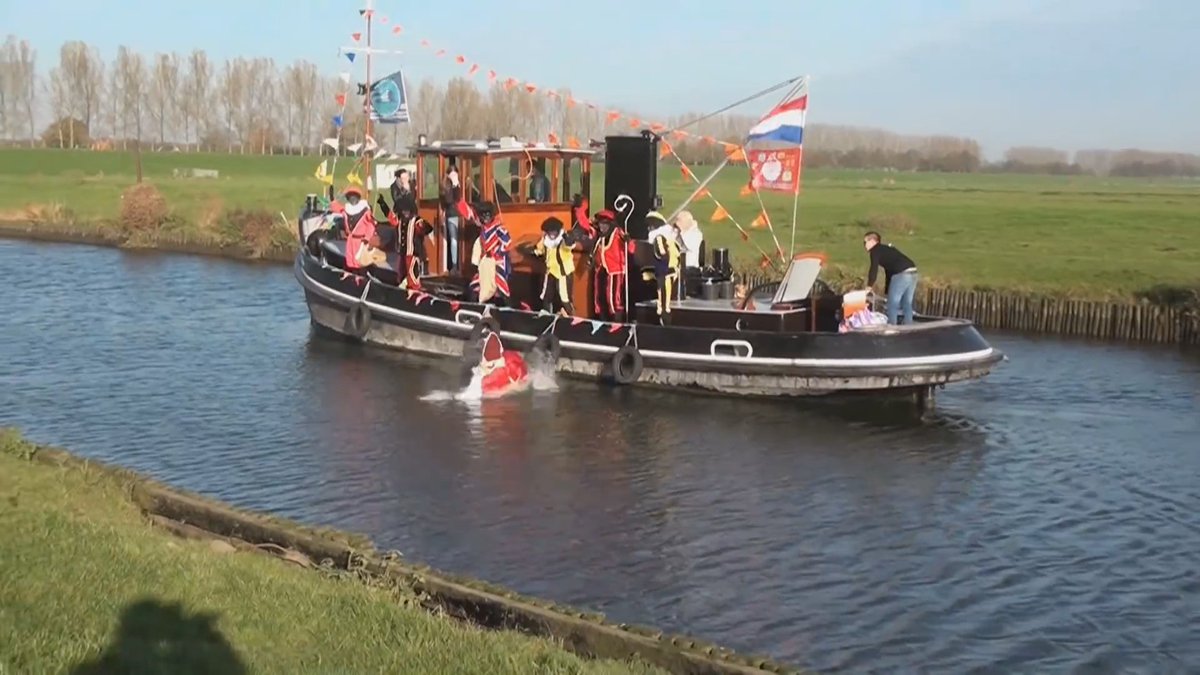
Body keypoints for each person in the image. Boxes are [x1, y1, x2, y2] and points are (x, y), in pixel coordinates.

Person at [863, 230, 918, 325]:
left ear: (873, 241)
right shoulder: (886, 249)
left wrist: (869, 285)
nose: (864, 245)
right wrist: (887, 290)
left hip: (901, 273)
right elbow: (889, 271)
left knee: (892, 304)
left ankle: (892, 326)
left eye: (865, 242)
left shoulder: (875, 250)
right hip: (913, 271)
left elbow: (873, 268)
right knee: (907, 303)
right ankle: (909, 325)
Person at [469, 202, 512, 306]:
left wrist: (498, 253)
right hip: (485, 261)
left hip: (497, 261)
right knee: (476, 284)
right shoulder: (484, 229)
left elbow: (507, 242)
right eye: (483, 215)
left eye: (487, 215)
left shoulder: (499, 228)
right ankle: (476, 305)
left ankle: (508, 308)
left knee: (500, 286)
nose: (485, 218)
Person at [590, 209, 627, 322]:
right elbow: (585, 223)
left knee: (613, 298)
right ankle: (603, 320)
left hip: (615, 269)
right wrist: (580, 210)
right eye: (600, 224)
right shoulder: (599, 235)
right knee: (599, 295)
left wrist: (627, 241)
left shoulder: (617, 233)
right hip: (601, 269)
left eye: (605, 224)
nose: (602, 226)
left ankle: (616, 322)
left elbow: (630, 247)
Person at [533, 216, 575, 316]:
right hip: (550, 271)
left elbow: (569, 245)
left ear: (558, 231)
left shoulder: (563, 239)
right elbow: (540, 250)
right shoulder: (545, 239)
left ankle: (570, 316)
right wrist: (532, 251)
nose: (552, 234)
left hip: (563, 273)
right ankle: (547, 314)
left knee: (564, 297)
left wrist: (568, 238)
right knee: (546, 295)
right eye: (549, 232)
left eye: (554, 232)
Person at [644, 211, 680, 317]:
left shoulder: (659, 236)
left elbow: (663, 254)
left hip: (666, 269)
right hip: (669, 268)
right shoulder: (667, 234)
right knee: (663, 291)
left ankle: (664, 313)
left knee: (664, 292)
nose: (649, 228)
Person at [340, 185, 383, 272]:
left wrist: (367, 238)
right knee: (350, 260)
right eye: (349, 196)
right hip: (350, 240)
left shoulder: (365, 211)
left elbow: (371, 225)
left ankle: (361, 276)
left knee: (360, 260)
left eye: (353, 196)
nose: (352, 198)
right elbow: (337, 208)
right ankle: (352, 274)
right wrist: (332, 200)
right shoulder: (346, 209)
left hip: (360, 241)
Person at [396, 197, 431, 289]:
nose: (405, 213)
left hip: (412, 252)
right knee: (401, 271)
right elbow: (391, 217)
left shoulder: (416, 220)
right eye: (403, 211)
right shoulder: (400, 220)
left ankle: (414, 288)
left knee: (412, 272)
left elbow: (427, 228)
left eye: (407, 211)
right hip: (402, 251)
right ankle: (402, 286)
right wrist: (383, 205)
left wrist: (423, 227)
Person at [441, 164, 462, 270]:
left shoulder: (461, 183)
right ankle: (454, 264)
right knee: (454, 239)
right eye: (452, 174)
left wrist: (457, 185)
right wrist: (454, 186)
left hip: (463, 215)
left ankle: (461, 263)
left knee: (461, 240)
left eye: (455, 174)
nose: (454, 176)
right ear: (448, 175)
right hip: (452, 214)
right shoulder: (446, 185)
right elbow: (449, 200)